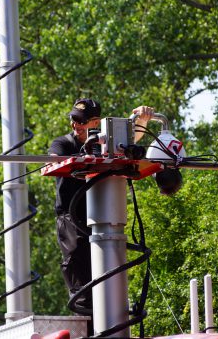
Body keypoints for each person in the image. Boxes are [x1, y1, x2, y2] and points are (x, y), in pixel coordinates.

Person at [48, 98, 154, 312]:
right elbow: (54, 159)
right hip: (72, 218)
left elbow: (126, 145)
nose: (74, 124)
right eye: (73, 119)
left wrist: (141, 122)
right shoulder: (64, 143)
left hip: (103, 219)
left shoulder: (105, 145)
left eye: (80, 120)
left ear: (95, 122)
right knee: (82, 279)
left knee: (109, 279)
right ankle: (88, 322)